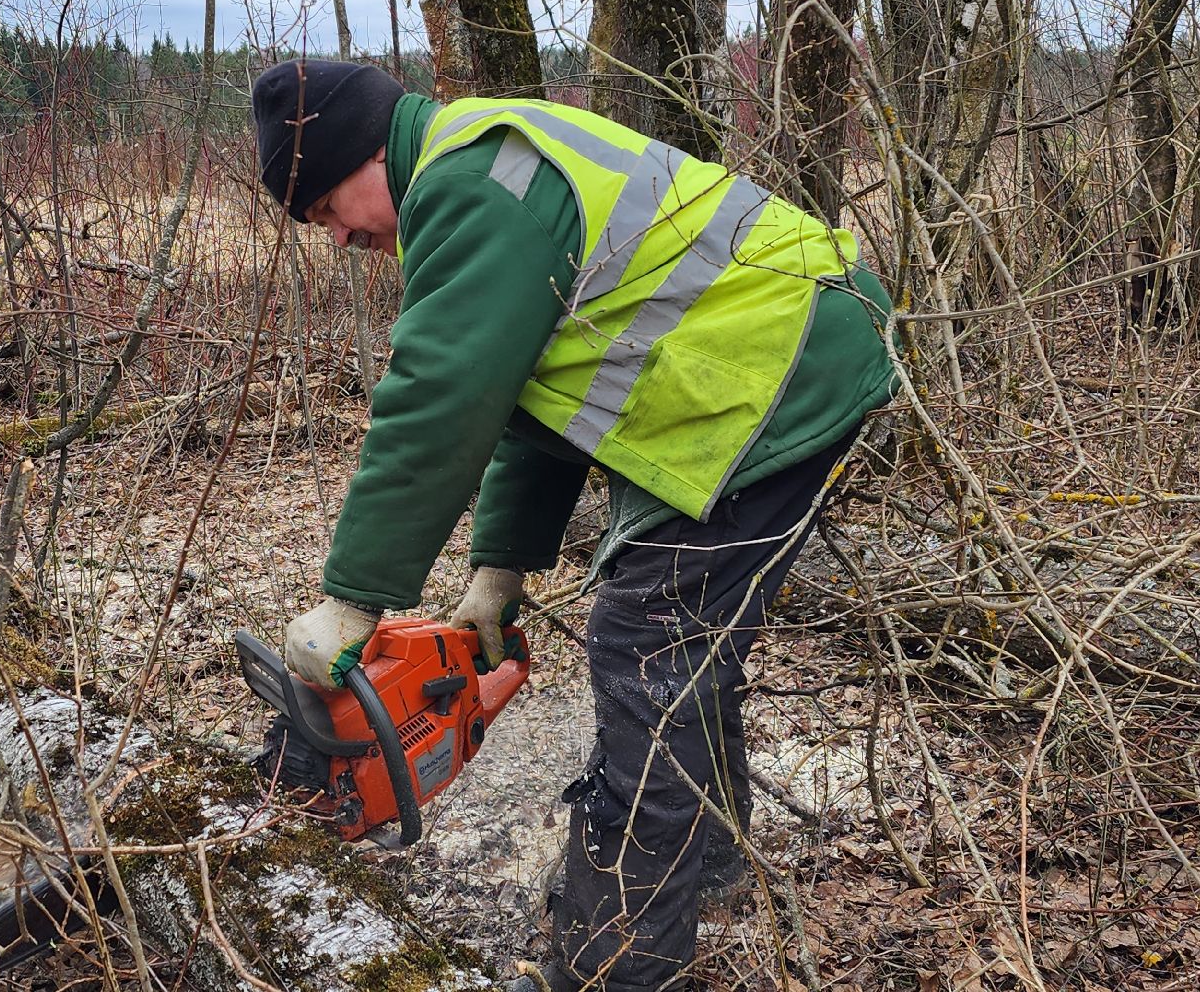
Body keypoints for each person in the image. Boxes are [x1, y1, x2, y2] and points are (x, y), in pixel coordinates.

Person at [251, 58, 898, 991]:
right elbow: (535, 394)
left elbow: (443, 392)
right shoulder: (485, 157)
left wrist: (354, 599)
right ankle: (712, 867)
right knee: (675, 642)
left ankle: (616, 968)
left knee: (647, 649)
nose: (340, 235)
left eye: (326, 207)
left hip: (783, 369)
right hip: (778, 365)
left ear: (362, 149)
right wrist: (498, 570)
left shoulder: (472, 184)